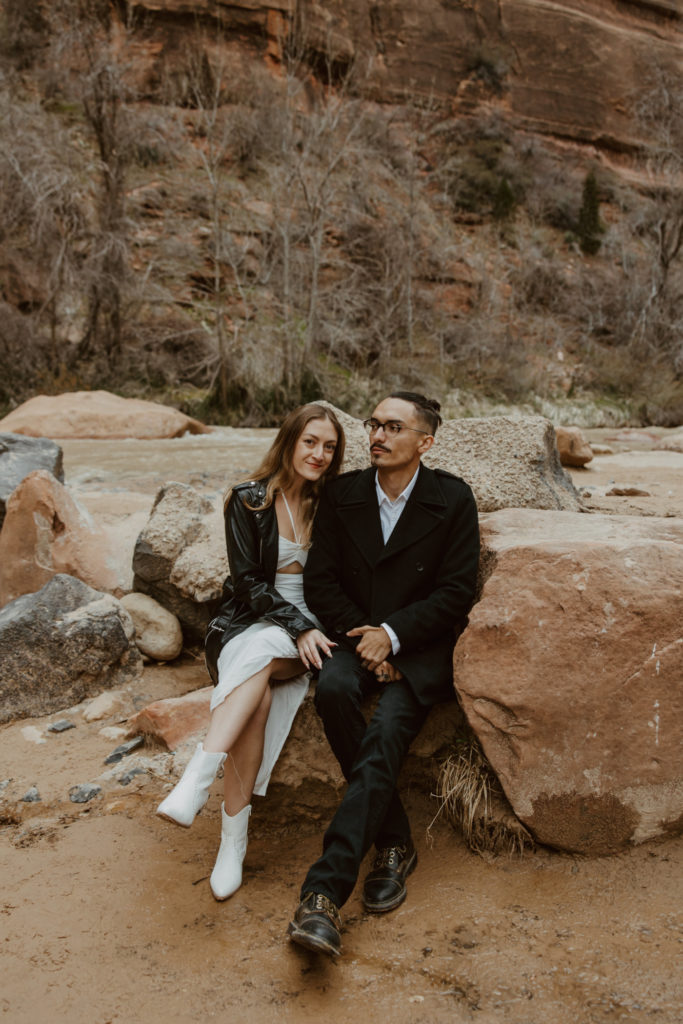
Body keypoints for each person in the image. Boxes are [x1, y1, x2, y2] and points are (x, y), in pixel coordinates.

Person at [287, 392, 479, 957]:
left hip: (417, 649)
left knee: (389, 727)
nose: (376, 435)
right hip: (353, 637)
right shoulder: (344, 495)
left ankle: (322, 896)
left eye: (393, 427)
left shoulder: (452, 498)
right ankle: (394, 840)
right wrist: (367, 639)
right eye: (373, 425)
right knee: (335, 689)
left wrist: (392, 637)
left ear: (426, 441)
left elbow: (455, 593)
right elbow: (320, 584)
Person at [156, 403, 345, 900]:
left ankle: (199, 779)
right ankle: (230, 844)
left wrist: (309, 627)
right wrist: (294, 625)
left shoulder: (334, 504)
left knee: (262, 660)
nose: (319, 454)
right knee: (257, 694)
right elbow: (247, 583)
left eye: (329, 446)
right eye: (310, 442)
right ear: (288, 441)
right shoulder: (248, 500)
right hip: (249, 621)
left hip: (316, 628)